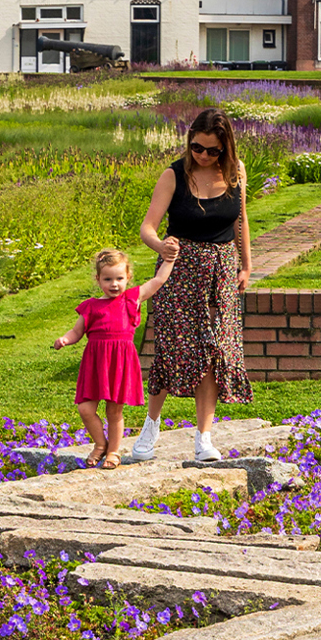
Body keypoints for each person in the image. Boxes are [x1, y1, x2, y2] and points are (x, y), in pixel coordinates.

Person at [126, 108, 252, 464]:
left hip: (221, 273)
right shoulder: (174, 175)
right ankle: (149, 430)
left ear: (225, 148)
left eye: (213, 150)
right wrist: (160, 245)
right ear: (189, 141)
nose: (204, 156)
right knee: (171, 350)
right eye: (198, 148)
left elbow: (241, 221)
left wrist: (246, 264)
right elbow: (147, 227)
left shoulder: (236, 173)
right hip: (178, 272)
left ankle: (204, 438)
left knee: (213, 353)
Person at [53, 246, 180, 469]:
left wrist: (169, 259)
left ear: (128, 277)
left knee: (114, 411)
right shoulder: (90, 306)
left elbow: (158, 280)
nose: (114, 284)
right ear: (98, 279)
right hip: (95, 364)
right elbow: (77, 332)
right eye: (108, 279)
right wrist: (65, 339)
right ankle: (100, 443)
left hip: (120, 363)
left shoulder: (131, 299)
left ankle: (113, 451)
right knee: (85, 409)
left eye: (119, 278)